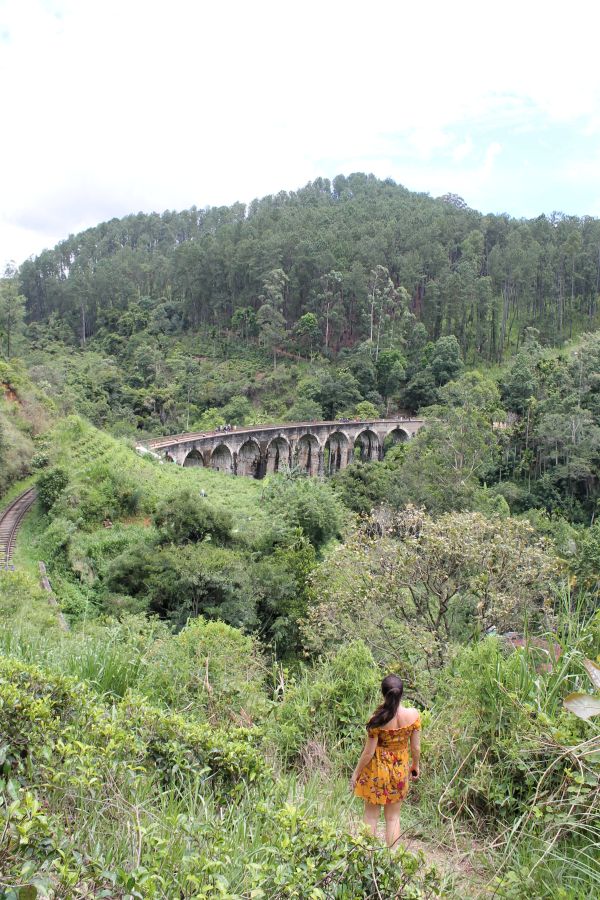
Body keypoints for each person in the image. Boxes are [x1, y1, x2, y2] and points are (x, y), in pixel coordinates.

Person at [350, 674, 421, 849]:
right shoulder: (414, 716)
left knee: (371, 816)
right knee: (393, 818)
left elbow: (368, 753)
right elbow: (416, 748)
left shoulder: (377, 720)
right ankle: (392, 859)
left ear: (383, 694)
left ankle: (366, 857)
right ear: (402, 694)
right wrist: (415, 765)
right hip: (399, 770)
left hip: (376, 771)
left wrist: (356, 773)